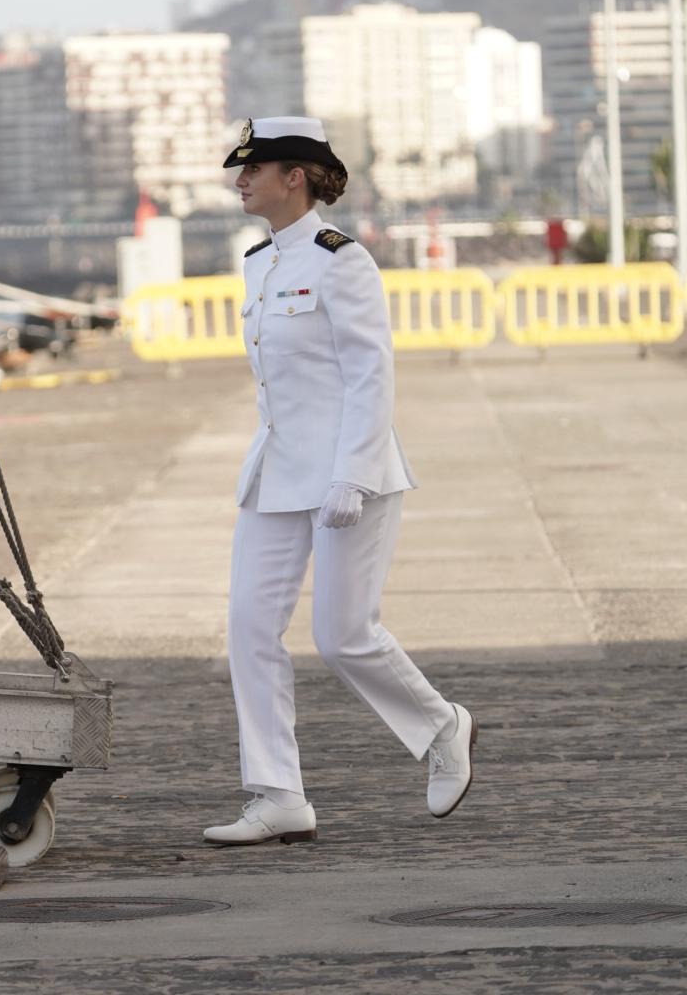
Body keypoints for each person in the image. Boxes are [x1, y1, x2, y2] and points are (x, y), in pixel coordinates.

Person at [203, 117, 475, 847]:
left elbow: (370, 374)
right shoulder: (259, 261)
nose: (240, 180)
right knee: (249, 629)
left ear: (295, 177)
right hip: (277, 473)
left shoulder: (342, 261)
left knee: (343, 635)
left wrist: (352, 474)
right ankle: (278, 795)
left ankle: (442, 726)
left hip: (346, 475)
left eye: (253, 170)